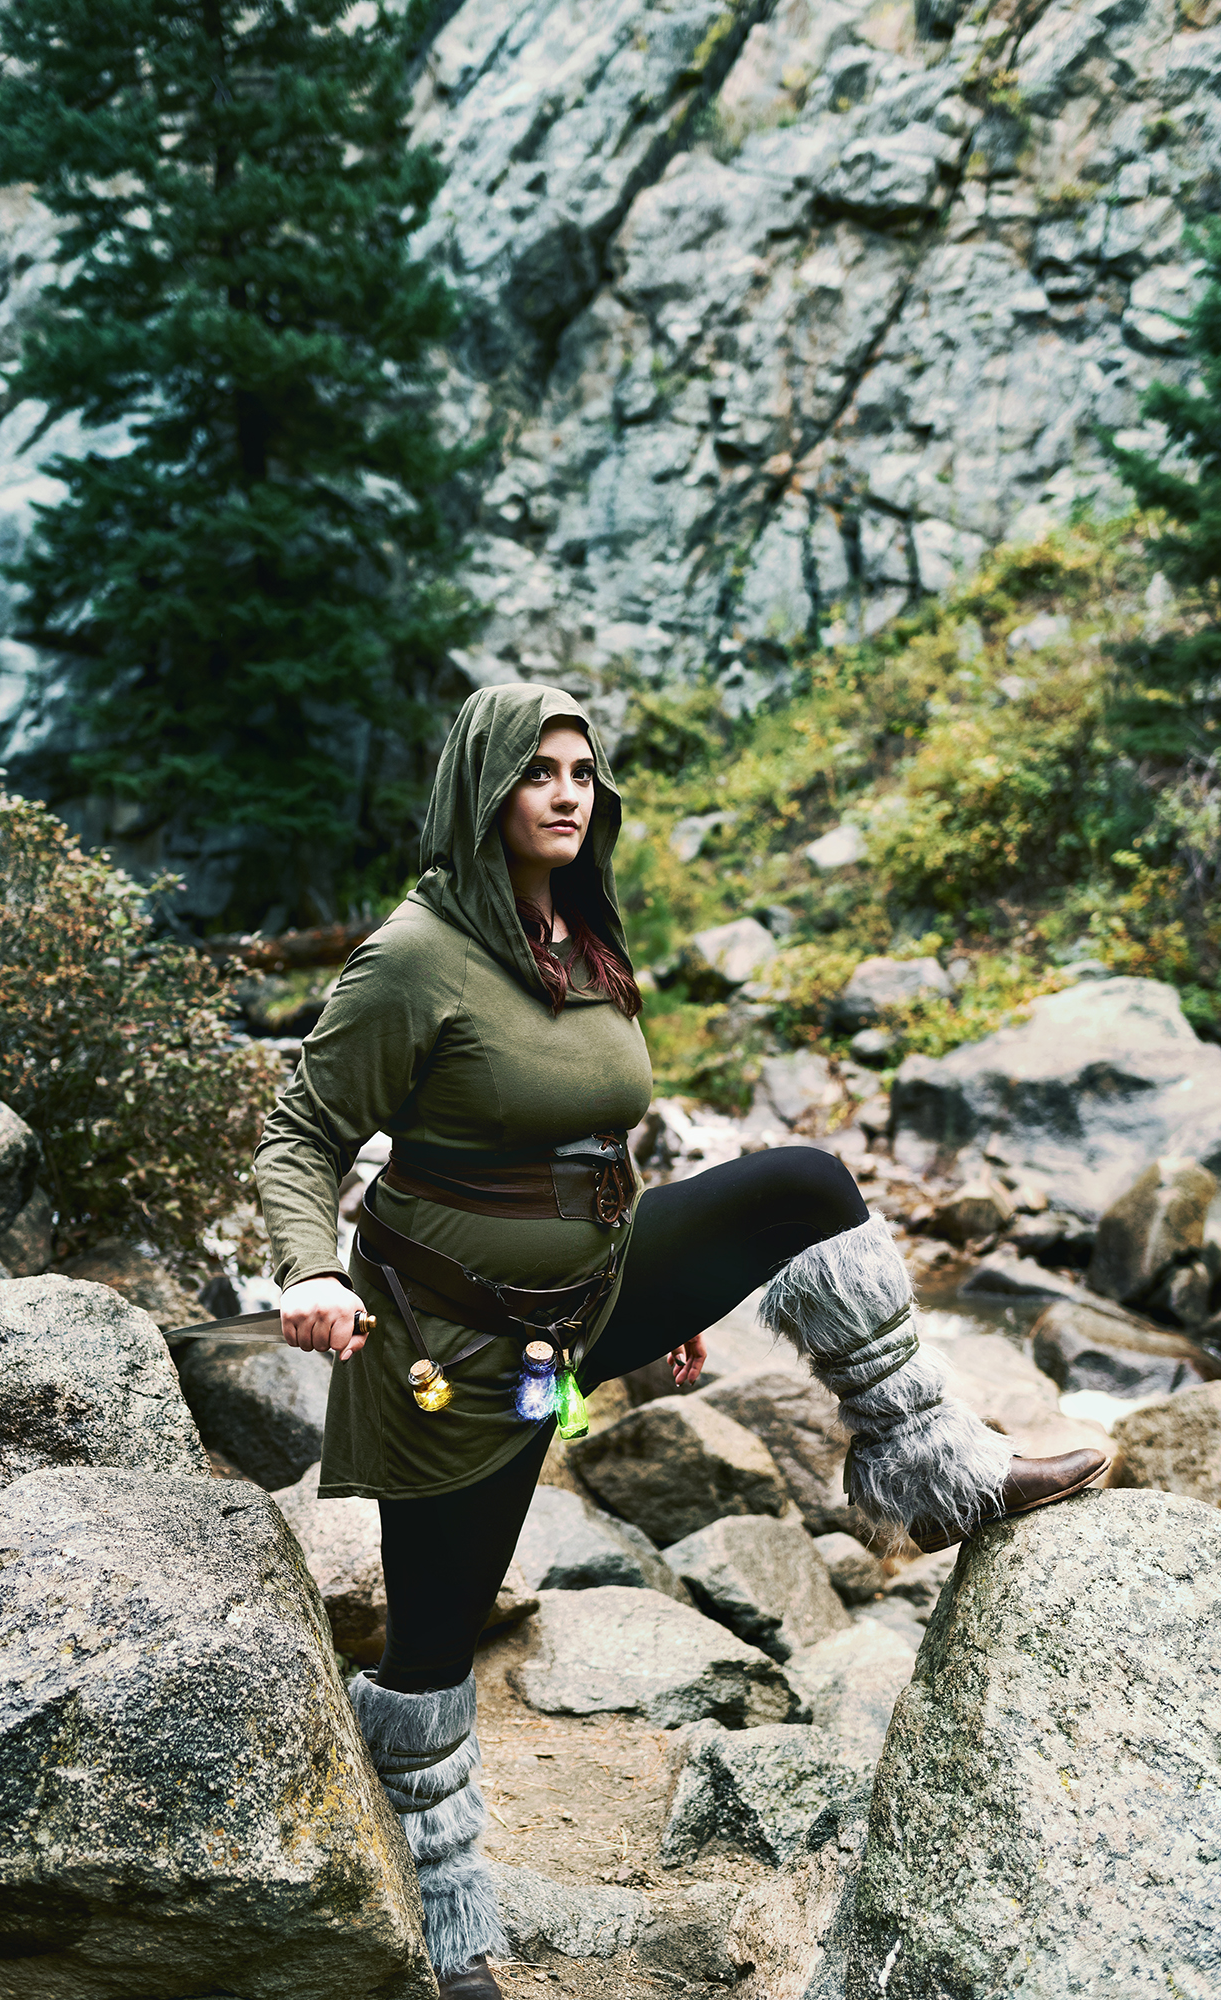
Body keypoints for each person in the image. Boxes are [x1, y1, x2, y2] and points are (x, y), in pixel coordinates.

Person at [253, 682, 1107, 2000]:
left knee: (805, 1189)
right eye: (537, 770)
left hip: (590, 1294)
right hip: (448, 1346)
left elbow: (597, 1139)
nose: (566, 791)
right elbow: (301, 1131)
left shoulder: (579, 936)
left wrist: (658, 1310)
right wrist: (311, 1266)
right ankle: (444, 1918)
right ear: (482, 786)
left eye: (583, 771)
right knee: (431, 1646)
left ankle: (946, 1475)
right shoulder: (413, 957)